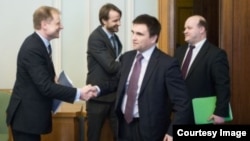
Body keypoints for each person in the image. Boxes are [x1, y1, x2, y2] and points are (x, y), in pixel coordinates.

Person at [6, 6, 98, 141]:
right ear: (44, 25)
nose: (62, 26)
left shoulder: (41, 44)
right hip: (25, 119)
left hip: (30, 118)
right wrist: (79, 93)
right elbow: (46, 87)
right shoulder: (33, 48)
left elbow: (44, 81)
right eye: (58, 23)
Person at [114, 14, 192, 141]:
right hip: (123, 127)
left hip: (151, 131)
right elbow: (116, 83)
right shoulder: (126, 58)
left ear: (153, 38)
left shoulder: (167, 64)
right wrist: (97, 88)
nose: (133, 38)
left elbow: (182, 103)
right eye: (133, 32)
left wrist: (173, 132)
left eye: (139, 34)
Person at [174, 15, 231, 124]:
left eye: (189, 28)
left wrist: (220, 112)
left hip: (203, 114)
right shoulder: (179, 51)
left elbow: (223, 85)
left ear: (201, 29)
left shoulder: (216, 54)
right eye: (184, 28)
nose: (185, 31)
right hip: (179, 113)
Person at [86, 3, 122, 141]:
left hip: (114, 96)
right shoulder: (96, 37)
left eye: (119, 19)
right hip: (98, 98)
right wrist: (131, 63)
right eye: (115, 20)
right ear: (103, 21)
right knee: (94, 137)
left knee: (120, 135)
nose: (118, 23)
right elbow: (111, 66)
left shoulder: (115, 38)